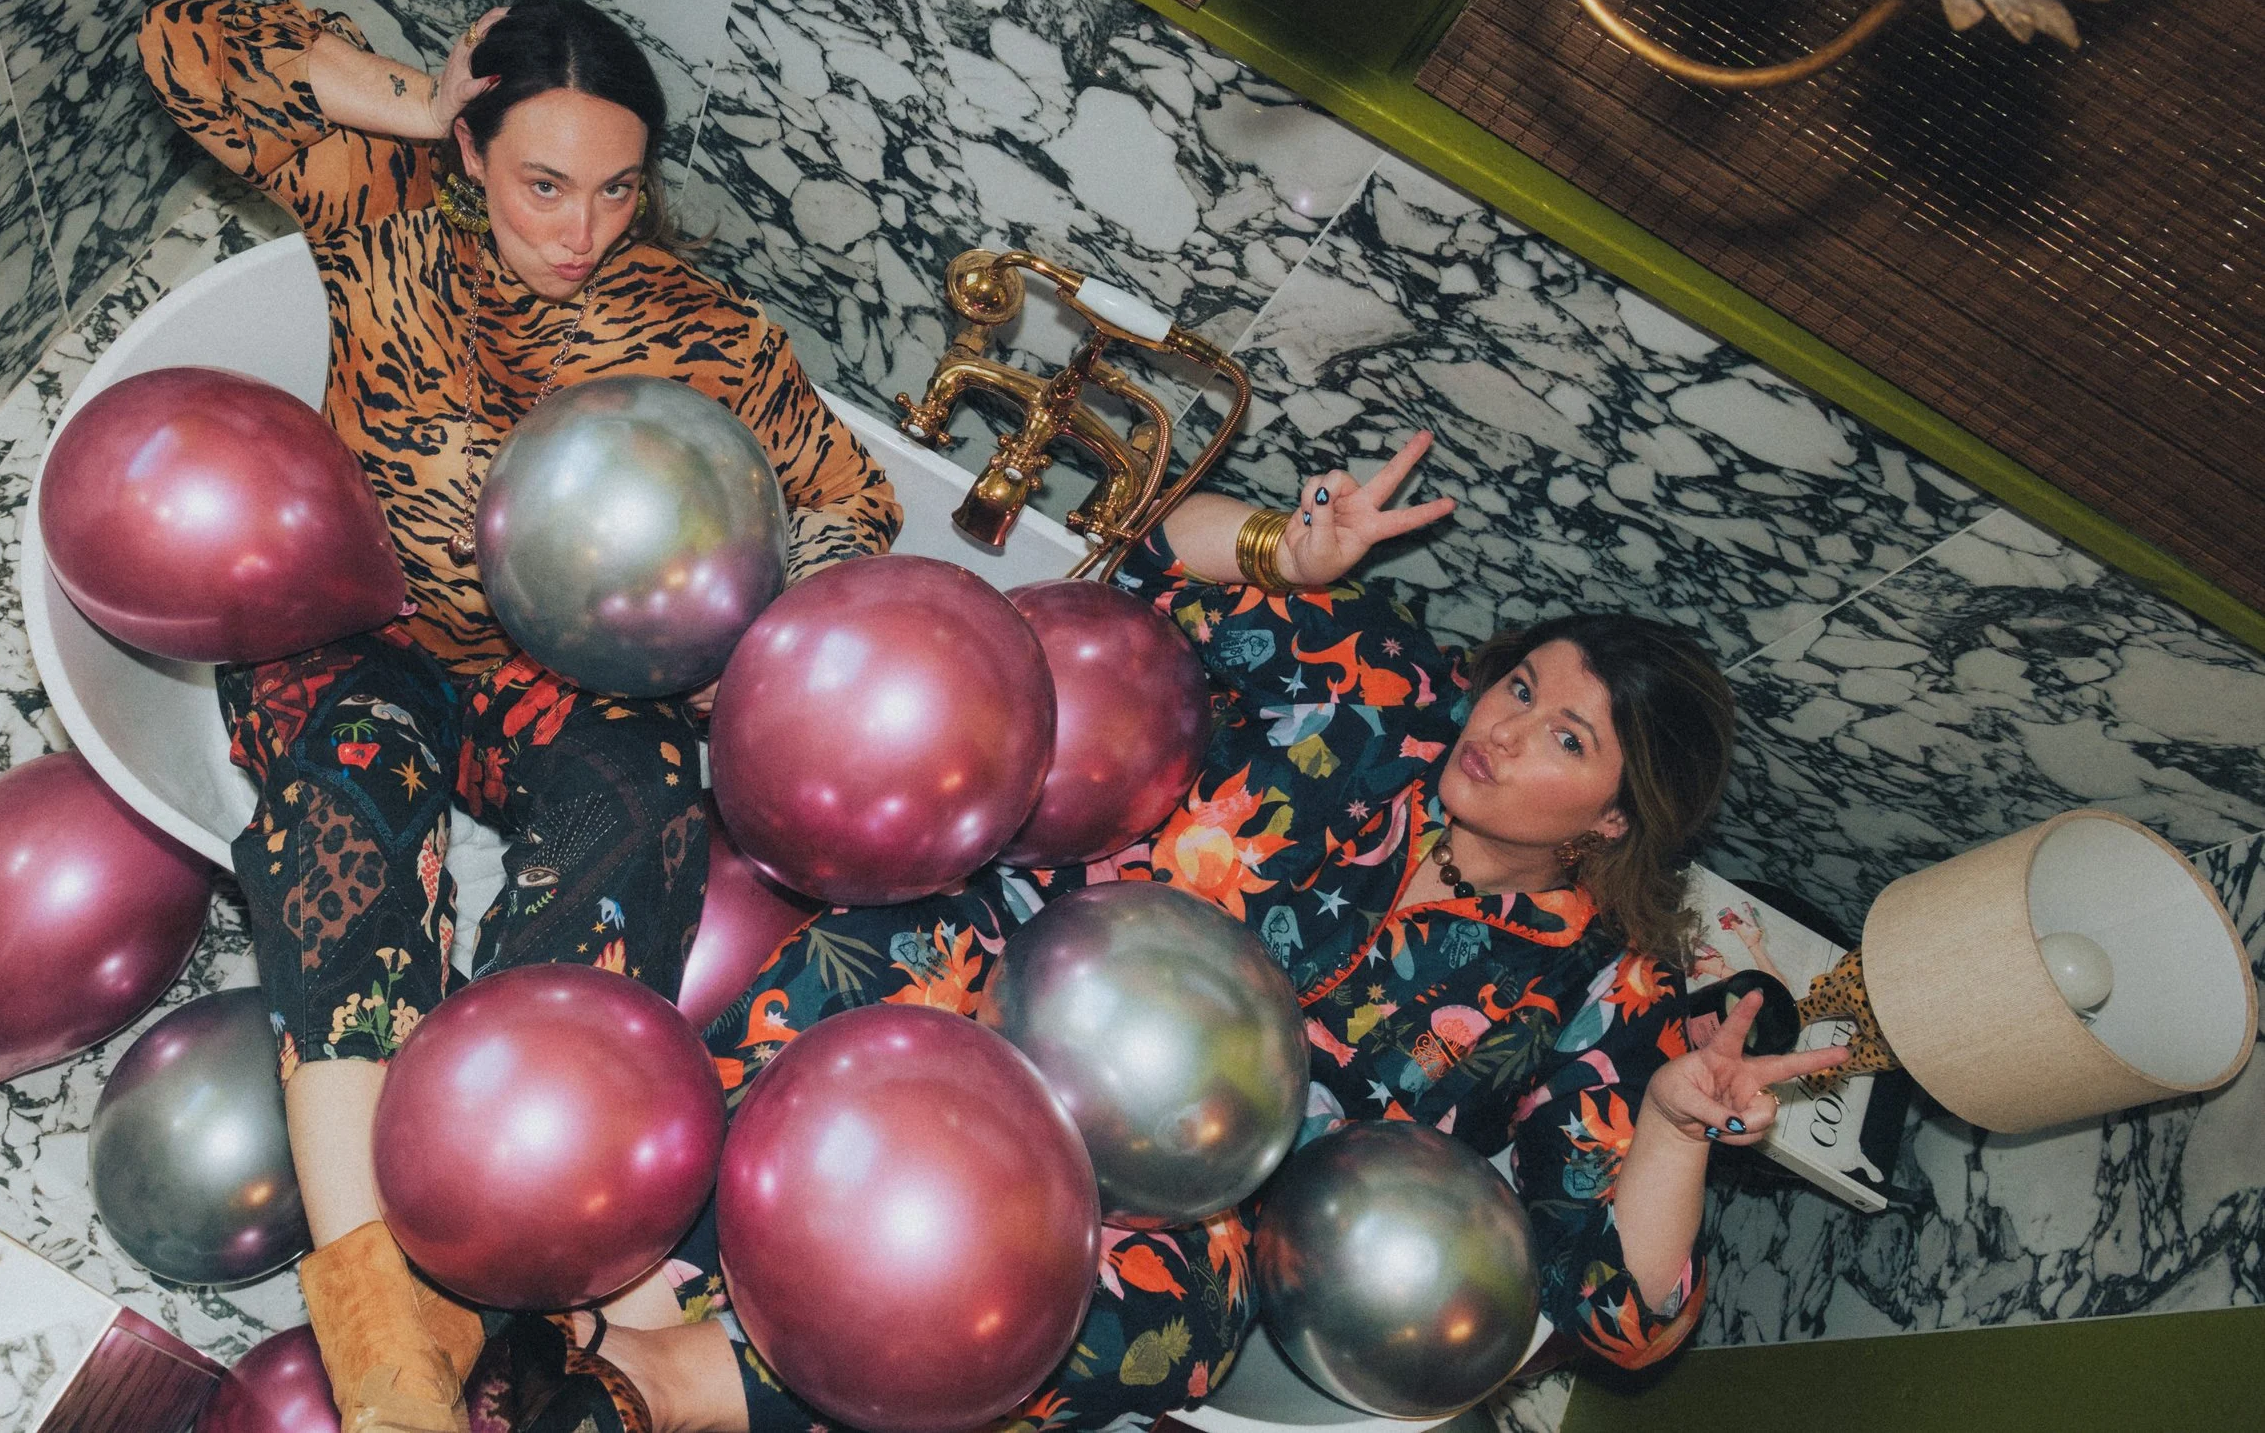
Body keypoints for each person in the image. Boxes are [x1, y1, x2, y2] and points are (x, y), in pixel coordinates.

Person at [483, 432, 1849, 1433]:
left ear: (1616, 819)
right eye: (1524, 681)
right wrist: (1284, 550)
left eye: (1565, 735)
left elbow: (1617, 1314)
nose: (1500, 727)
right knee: (875, 968)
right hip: (1016, 973)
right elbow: (1101, 587)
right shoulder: (1372, 679)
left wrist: (1673, 1124)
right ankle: (644, 1289)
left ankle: (672, 1382)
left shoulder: (1601, 986)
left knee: (1177, 1330)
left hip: (1186, 1185)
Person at [136, 0, 901, 1433]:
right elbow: (184, 48)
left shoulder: (695, 328)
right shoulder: (385, 207)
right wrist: (406, 104)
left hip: (559, 681)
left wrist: (750, 615)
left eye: (617, 190)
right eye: (543, 183)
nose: (581, 229)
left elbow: (854, 503)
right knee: (344, 814)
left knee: (645, 818)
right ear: (477, 151)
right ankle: (391, 1371)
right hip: (363, 627)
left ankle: (495, 1249)